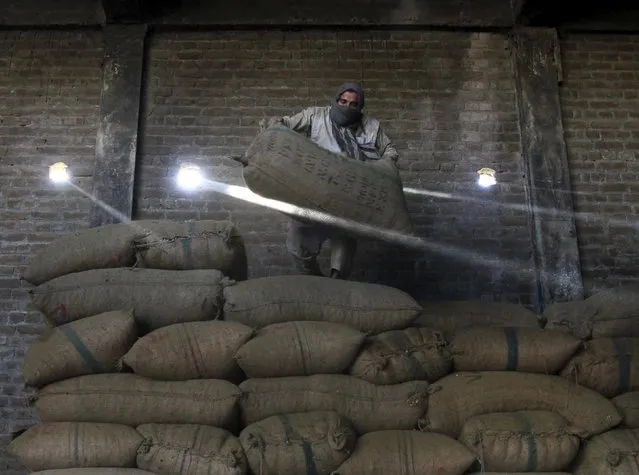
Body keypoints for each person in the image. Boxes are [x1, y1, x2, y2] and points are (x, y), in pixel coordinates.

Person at [263, 82, 400, 279]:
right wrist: (273, 127)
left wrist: (381, 167)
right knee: (299, 241)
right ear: (336, 100)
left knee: (344, 242)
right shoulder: (315, 116)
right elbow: (284, 125)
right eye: (342, 101)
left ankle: (337, 283)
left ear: (360, 106)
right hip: (316, 191)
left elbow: (390, 151)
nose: (347, 107)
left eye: (353, 104)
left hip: (349, 194)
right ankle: (314, 282)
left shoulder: (370, 126)